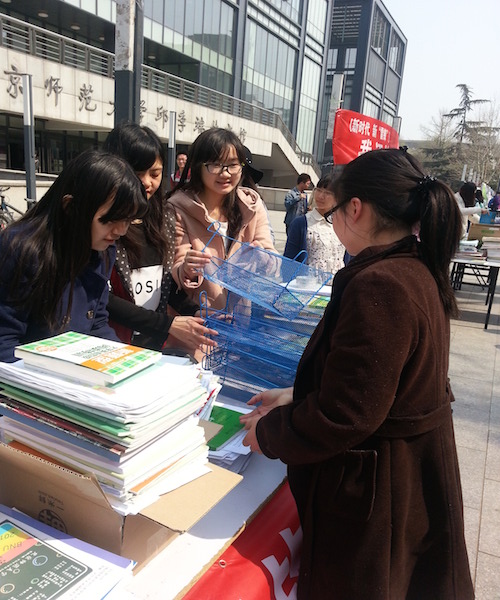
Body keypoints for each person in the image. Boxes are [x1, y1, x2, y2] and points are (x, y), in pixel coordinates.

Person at [241, 148, 474, 599]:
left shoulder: (381, 284)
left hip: (381, 495)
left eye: (333, 217)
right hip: (411, 474)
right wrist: (297, 394)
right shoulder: (414, 266)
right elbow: (380, 384)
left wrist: (268, 433)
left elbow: (345, 414)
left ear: (355, 208)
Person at [0, 149, 148, 363]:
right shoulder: (22, 250)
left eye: (127, 220)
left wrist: (127, 363)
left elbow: (97, 324)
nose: (120, 231)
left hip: (70, 372)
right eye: (110, 220)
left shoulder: (103, 250)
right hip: (30, 376)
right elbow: (5, 342)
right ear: (70, 207)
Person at [103, 122, 217, 355]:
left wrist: (195, 312)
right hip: (111, 342)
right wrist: (167, 325)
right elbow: (102, 297)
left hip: (152, 343)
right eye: (137, 174)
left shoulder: (164, 218)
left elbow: (164, 285)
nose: (147, 182)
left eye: (155, 174)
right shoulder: (101, 223)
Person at [167, 127, 276, 309]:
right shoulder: (178, 208)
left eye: (233, 165)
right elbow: (175, 269)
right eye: (215, 164)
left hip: (240, 319)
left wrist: (262, 257)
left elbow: (274, 265)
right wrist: (187, 268)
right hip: (196, 319)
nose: (225, 173)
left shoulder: (252, 205)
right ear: (198, 166)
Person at [283, 174, 345, 276]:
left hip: (337, 284)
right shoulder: (301, 223)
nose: (321, 196)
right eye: (318, 190)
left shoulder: (344, 224)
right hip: (308, 283)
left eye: (327, 193)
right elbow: (288, 262)